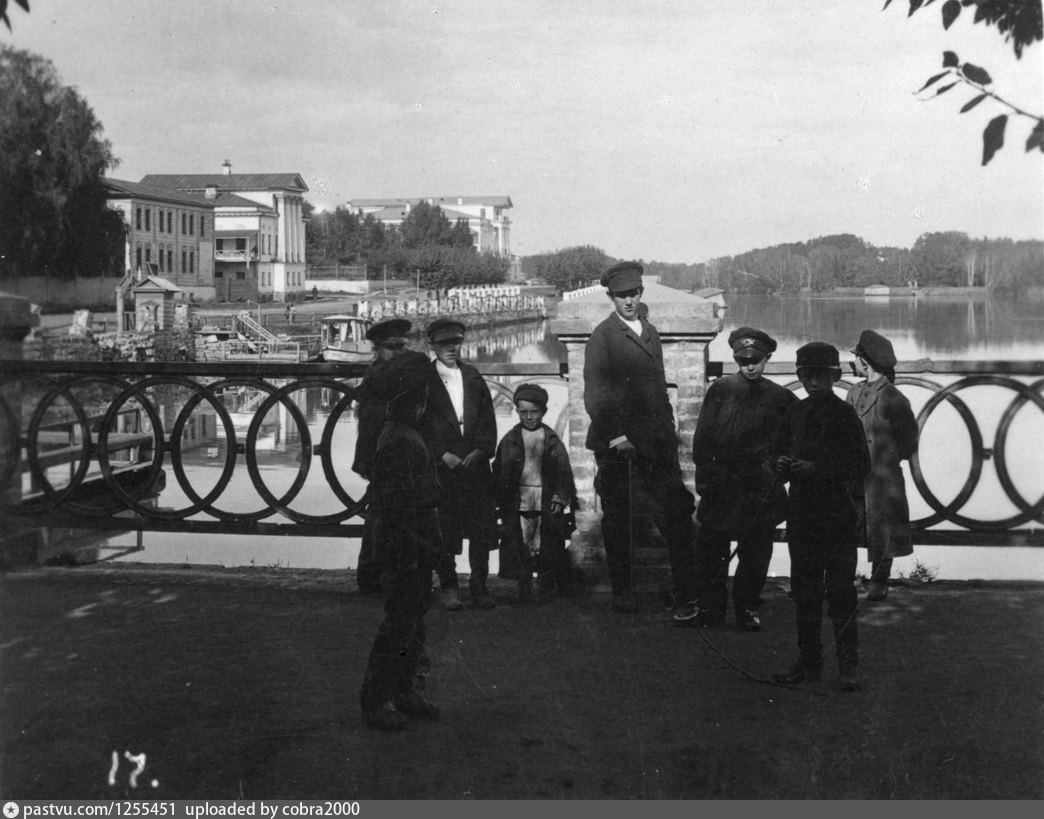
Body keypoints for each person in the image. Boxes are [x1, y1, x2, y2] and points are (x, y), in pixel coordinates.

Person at [583, 260, 699, 614]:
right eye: (621, 296)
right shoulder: (603, 336)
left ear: (640, 293)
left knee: (677, 511)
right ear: (611, 297)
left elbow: (658, 388)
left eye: (633, 294)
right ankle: (622, 590)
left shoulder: (649, 331)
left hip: (656, 443)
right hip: (619, 446)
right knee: (619, 519)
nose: (628, 301)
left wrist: (667, 429)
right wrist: (618, 438)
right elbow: (596, 395)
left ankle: (686, 592)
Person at [674, 327, 796, 631]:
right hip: (723, 484)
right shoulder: (721, 390)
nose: (750, 366)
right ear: (735, 359)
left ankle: (747, 607)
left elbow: (795, 439)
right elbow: (702, 442)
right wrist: (706, 482)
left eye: (756, 360)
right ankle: (710, 608)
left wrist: (777, 468)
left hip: (760, 486)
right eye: (743, 361)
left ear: (767, 358)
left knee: (756, 552)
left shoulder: (780, 396)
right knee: (711, 549)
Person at [773, 342, 870, 692]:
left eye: (821, 375)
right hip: (802, 516)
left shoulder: (845, 416)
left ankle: (848, 663)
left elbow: (860, 465)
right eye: (806, 375)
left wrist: (817, 468)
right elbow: (779, 456)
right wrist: (781, 465)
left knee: (841, 590)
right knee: (805, 591)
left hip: (837, 517)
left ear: (835, 377)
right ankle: (809, 660)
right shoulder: (794, 414)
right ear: (798, 376)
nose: (813, 381)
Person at [358, 351, 443, 731]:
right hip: (403, 545)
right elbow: (396, 506)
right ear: (416, 399)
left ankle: (406, 691)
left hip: (415, 542)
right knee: (399, 623)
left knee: (413, 622)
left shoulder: (404, 434)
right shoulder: (400, 439)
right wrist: (413, 549)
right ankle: (376, 700)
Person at [419, 317, 499, 611]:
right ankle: (449, 586)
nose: (451, 348)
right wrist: (440, 454)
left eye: (455, 342)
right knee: (444, 529)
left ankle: (480, 587)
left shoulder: (473, 376)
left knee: (481, 530)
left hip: (474, 466)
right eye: (444, 344)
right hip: (443, 468)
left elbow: (489, 422)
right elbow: (419, 425)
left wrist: (482, 450)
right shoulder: (424, 381)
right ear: (432, 345)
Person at [847, 329, 920, 601]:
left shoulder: (893, 398)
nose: (851, 362)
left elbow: (908, 442)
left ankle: (880, 580)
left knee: (883, 526)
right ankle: (849, 576)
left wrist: (884, 461)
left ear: (865, 362)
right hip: (853, 475)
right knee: (850, 522)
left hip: (883, 477)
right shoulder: (854, 393)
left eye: (855, 358)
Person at [492, 383, 577, 604]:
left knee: (546, 542)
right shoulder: (510, 439)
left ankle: (546, 588)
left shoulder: (550, 439)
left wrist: (560, 495)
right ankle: (524, 587)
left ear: (544, 411)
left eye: (534, 412)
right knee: (521, 542)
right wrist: (500, 497)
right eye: (523, 412)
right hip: (519, 500)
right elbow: (500, 469)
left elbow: (563, 471)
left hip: (544, 499)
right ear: (517, 411)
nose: (529, 417)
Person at [351, 318, 413, 593]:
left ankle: (389, 575)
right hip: (383, 456)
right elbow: (367, 423)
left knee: (396, 516)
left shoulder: (398, 372)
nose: (399, 352)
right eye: (392, 347)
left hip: (404, 454)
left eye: (402, 347)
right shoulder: (377, 376)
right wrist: (366, 461)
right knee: (380, 516)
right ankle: (372, 576)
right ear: (377, 348)